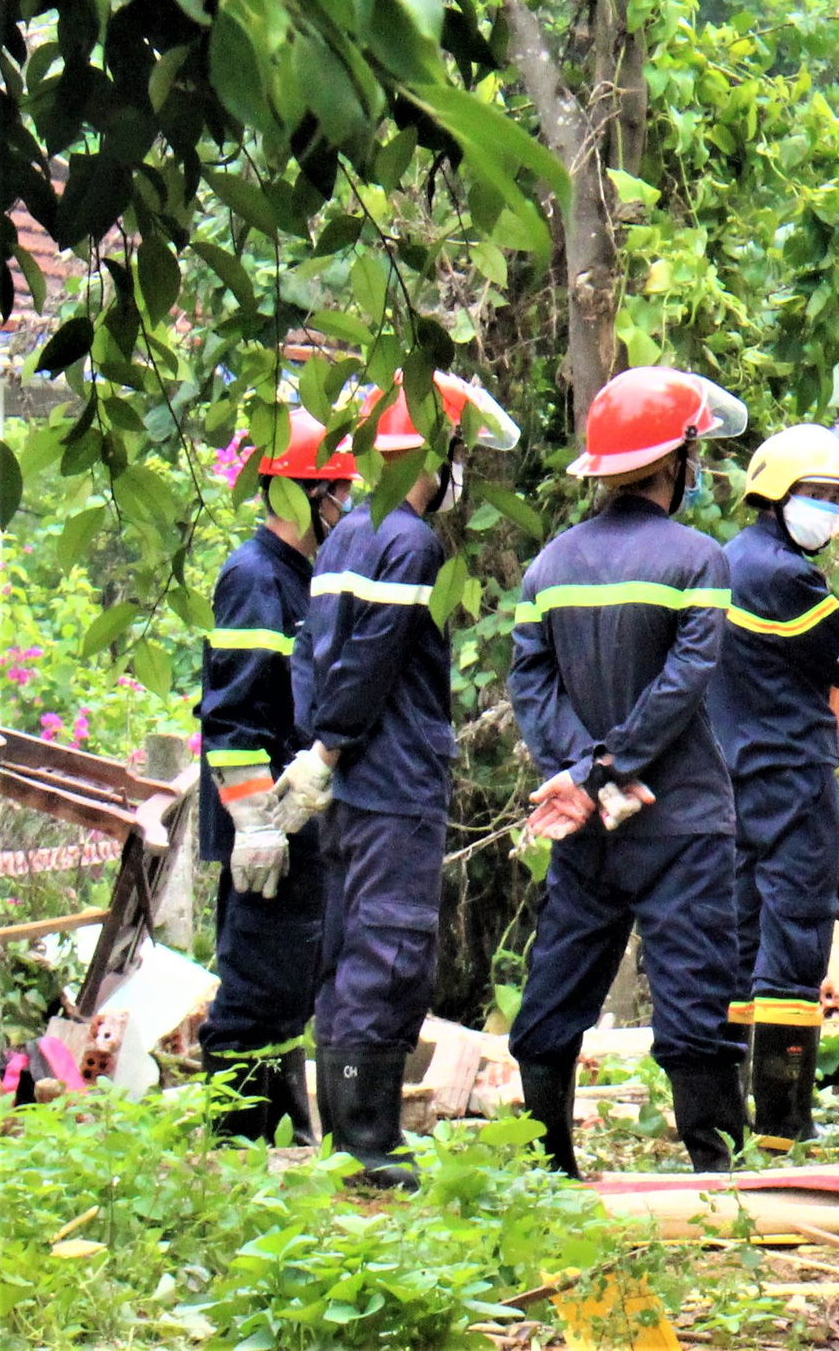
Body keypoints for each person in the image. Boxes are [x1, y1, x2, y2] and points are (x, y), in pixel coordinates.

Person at [273, 371, 520, 1188]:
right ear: (434, 448)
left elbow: (319, 657)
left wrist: (319, 753)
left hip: (348, 787)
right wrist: (334, 748)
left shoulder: (344, 536)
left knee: (347, 952)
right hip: (389, 782)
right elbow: (372, 662)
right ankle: (371, 1148)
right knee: (390, 950)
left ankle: (351, 1140)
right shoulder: (409, 541)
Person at [505, 367, 751, 1177]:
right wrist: (615, 766)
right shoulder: (700, 560)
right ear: (678, 459)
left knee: (558, 984)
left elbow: (530, 686)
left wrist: (583, 775)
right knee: (695, 994)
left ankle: (548, 1170)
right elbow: (684, 683)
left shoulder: (547, 567)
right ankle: (717, 1181)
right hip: (677, 816)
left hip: (589, 823)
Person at [196, 409, 359, 1144]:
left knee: (287, 990)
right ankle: (234, 1153)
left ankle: (273, 1141)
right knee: (255, 997)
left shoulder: (304, 576)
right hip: (267, 831)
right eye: (338, 494)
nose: (346, 508)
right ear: (304, 493)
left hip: (295, 821)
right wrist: (255, 823)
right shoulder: (255, 576)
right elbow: (232, 713)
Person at [709, 423, 839, 1148]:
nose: (829, 511)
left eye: (836, 498)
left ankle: (728, 1113)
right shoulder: (787, 577)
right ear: (776, 494)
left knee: (739, 939)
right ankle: (781, 1122)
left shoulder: (727, 561)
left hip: (729, 776)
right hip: (791, 777)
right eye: (820, 495)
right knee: (796, 935)